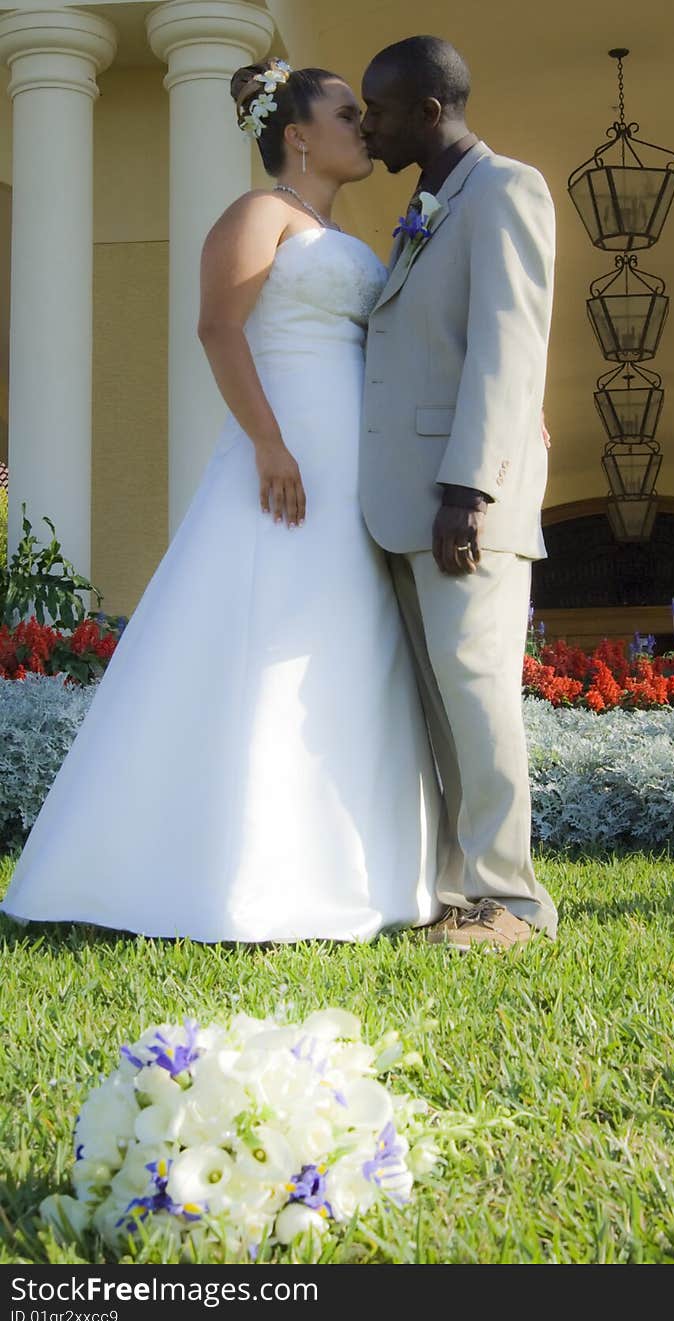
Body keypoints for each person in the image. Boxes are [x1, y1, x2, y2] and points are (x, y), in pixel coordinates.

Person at [0, 60, 442, 943]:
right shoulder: (258, 214)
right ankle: (198, 870)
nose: (365, 127)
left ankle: (361, 870)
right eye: (347, 115)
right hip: (282, 462)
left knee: (337, 648)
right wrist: (269, 443)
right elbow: (218, 325)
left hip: (349, 470)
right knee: (254, 640)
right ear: (299, 136)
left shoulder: (338, 231)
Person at [359, 36, 559, 949]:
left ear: (430, 110)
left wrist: (467, 491)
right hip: (407, 504)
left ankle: (511, 901)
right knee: (441, 703)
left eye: (384, 110)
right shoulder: (431, 203)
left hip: (463, 504)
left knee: (478, 693)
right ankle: (457, 891)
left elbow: (507, 353)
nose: (371, 126)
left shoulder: (507, 190)